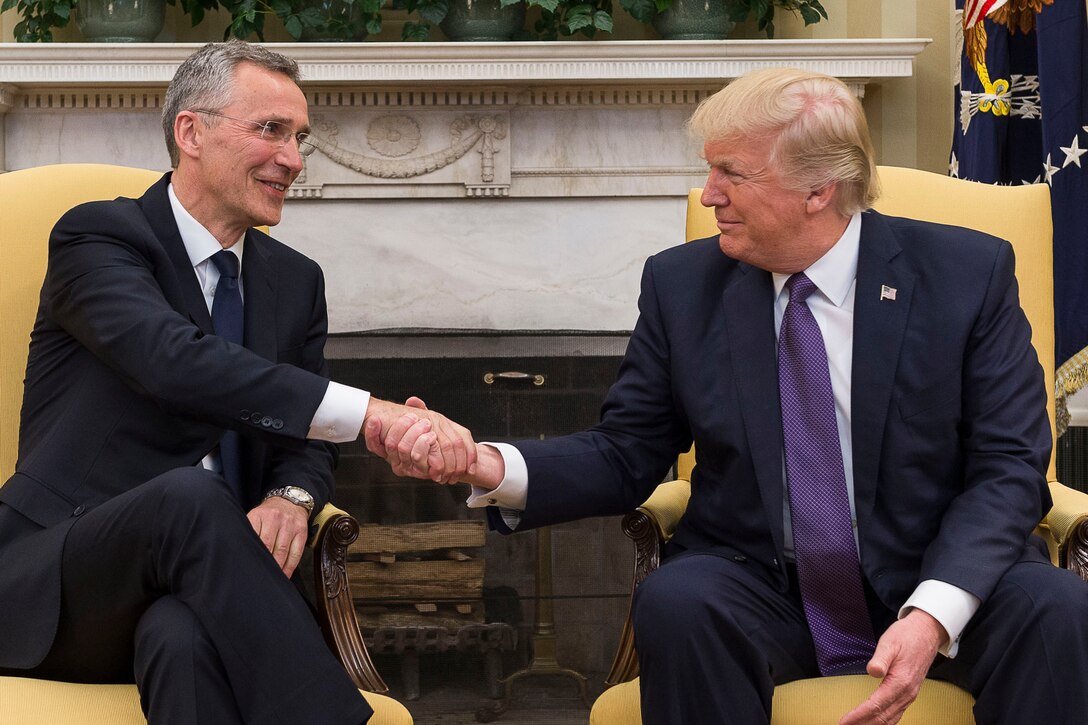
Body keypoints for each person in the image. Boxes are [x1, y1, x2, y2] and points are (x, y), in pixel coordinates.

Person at [367, 68, 1088, 724]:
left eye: (730, 173)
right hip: (763, 586)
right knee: (679, 601)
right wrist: (485, 464)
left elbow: (1009, 464)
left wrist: (931, 614)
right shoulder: (683, 286)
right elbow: (627, 452)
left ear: (818, 189)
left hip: (936, 566)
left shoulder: (965, 275)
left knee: (1056, 608)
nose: (708, 194)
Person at [0, 40, 474, 724]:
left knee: (181, 637)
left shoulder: (294, 281)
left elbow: (306, 441)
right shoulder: (99, 238)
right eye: (271, 130)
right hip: (62, 583)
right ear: (191, 131)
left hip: (201, 587)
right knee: (191, 497)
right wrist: (373, 413)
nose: (294, 158)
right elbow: (173, 361)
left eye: (299, 136)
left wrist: (289, 496)